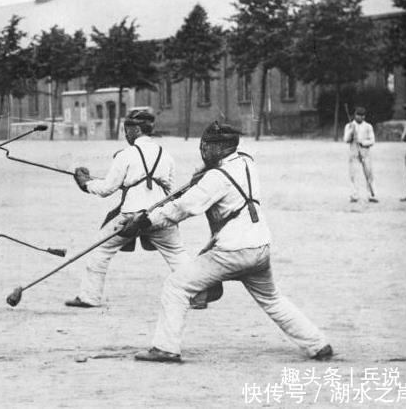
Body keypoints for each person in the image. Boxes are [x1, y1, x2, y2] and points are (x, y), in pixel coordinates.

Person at [117, 121, 332, 363]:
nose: (204, 150)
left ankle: (166, 348)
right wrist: (201, 175)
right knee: (273, 299)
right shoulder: (246, 162)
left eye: (207, 146)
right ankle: (317, 344)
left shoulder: (216, 178)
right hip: (259, 247)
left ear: (218, 148)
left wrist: (143, 222)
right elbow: (205, 182)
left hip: (232, 251)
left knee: (175, 286)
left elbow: (182, 208)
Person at [66, 110, 189, 308]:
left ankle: (89, 297)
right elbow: (169, 189)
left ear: (137, 130)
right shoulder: (166, 155)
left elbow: (107, 189)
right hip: (160, 215)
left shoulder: (125, 155)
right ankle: (196, 295)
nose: (125, 134)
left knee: (101, 250)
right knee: (177, 254)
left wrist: (86, 184)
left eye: (127, 130)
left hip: (130, 216)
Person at [343, 106, 377, 203]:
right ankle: (354, 195)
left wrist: (362, 142)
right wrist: (351, 132)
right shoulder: (349, 126)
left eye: (362, 115)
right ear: (355, 115)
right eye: (358, 115)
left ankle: (372, 195)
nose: (359, 117)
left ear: (364, 117)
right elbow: (346, 140)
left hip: (365, 153)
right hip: (354, 154)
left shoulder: (368, 126)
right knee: (353, 175)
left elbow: (372, 140)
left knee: (369, 174)